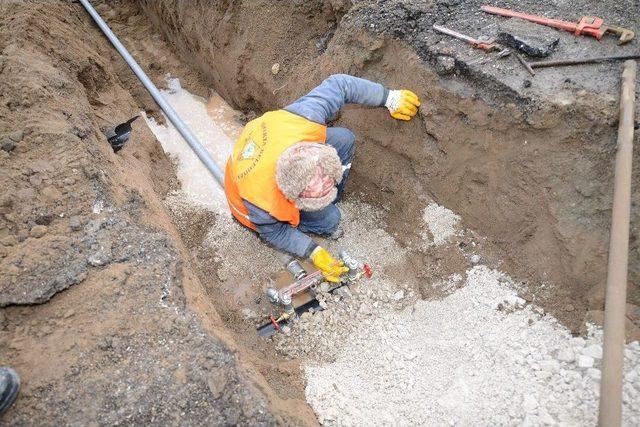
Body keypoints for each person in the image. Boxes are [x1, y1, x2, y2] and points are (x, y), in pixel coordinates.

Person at [225, 74, 420, 282]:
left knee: (344, 139)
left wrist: (388, 97)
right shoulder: (262, 202)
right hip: (246, 203)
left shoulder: (304, 119)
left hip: (276, 141)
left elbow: (341, 84)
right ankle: (314, 219)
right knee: (330, 220)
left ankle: (329, 202)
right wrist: (313, 251)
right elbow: (276, 233)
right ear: (293, 198)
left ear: (314, 148)